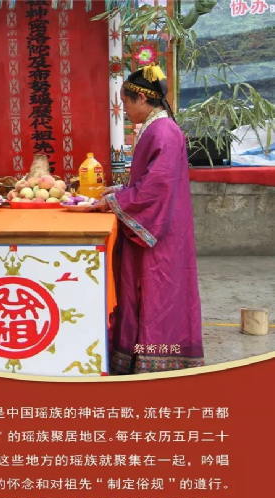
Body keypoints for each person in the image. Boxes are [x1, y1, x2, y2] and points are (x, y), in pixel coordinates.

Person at [88, 63, 204, 374]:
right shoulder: (158, 128)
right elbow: (150, 180)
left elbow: (157, 187)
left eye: (126, 102)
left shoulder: (162, 131)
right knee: (145, 292)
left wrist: (114, 201)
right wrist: (121, 191)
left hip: (159, 233)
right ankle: (140, 355)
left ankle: (155, 360)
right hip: (161, 225)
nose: (124, 110)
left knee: (155, 294)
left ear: (141, 97)